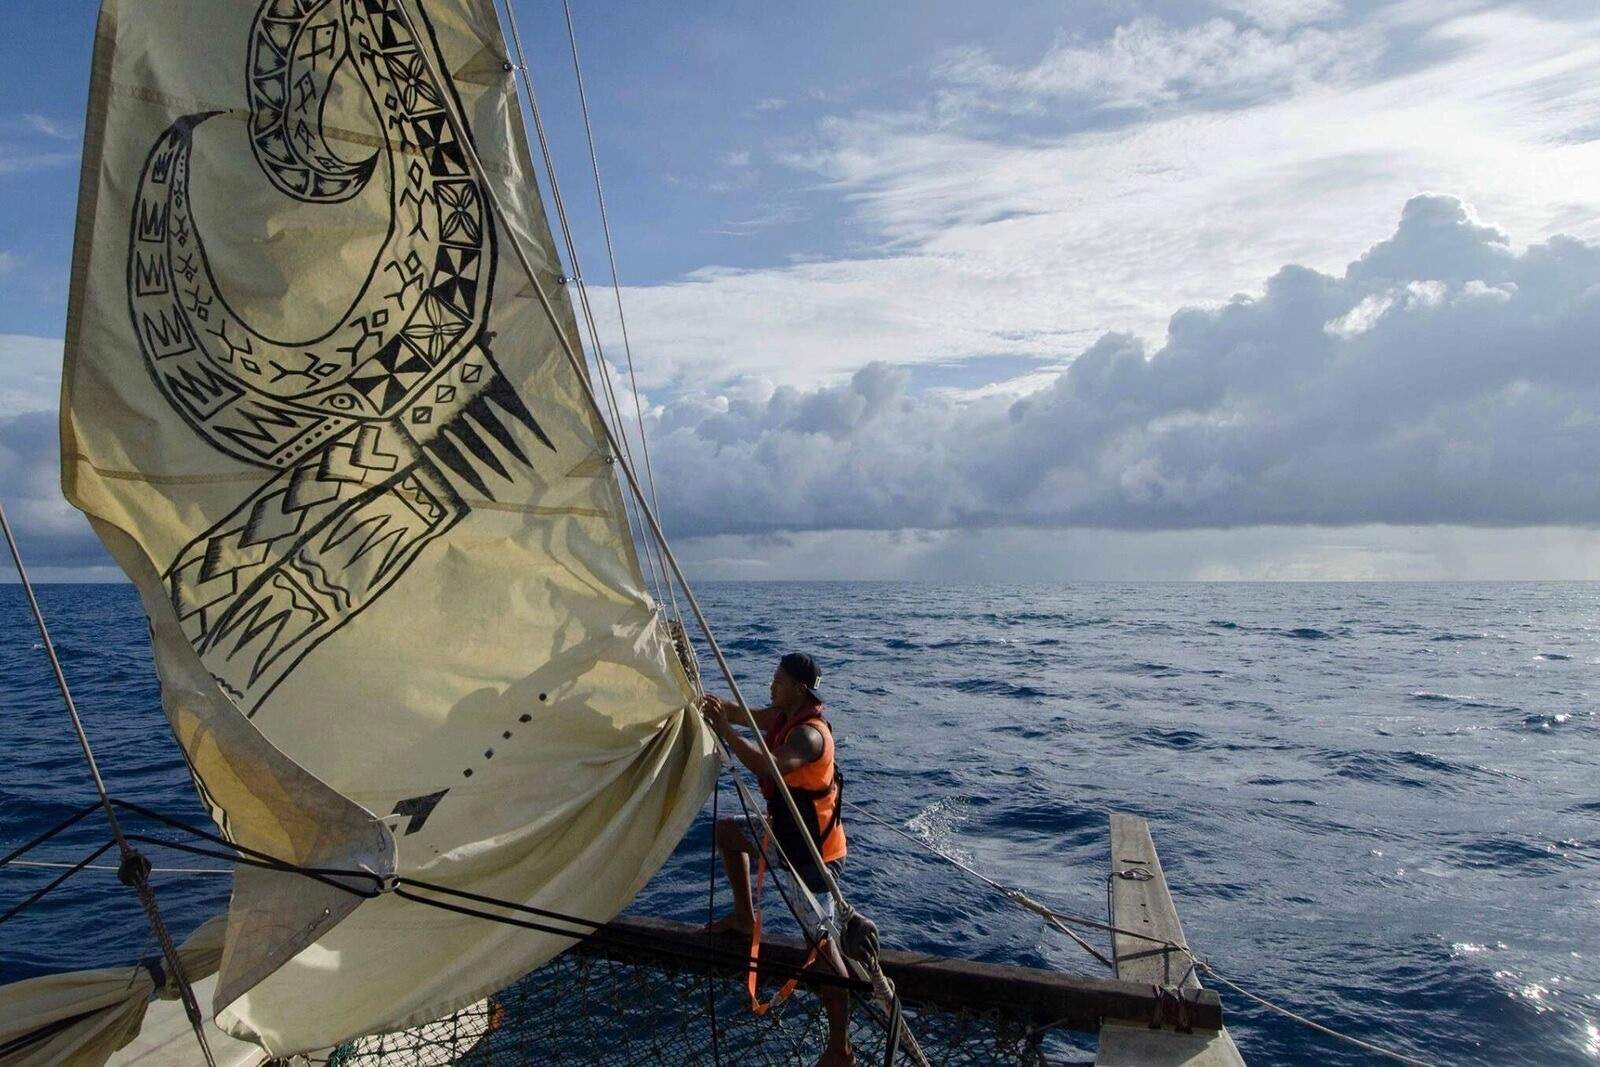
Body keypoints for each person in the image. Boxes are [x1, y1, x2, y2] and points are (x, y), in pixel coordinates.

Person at [701, 651, 852, 1067]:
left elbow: (768, 765)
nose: (772, 687)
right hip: (782, 841)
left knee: (823, 952)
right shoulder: (782, 717)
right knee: (727, 833)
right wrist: (706, 703)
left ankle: (840, 1049)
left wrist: (725, 734)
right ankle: (744, 918)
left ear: (800, 690)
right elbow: (737, 712)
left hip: (812, 860)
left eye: (779, 682)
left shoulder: (809, 736)